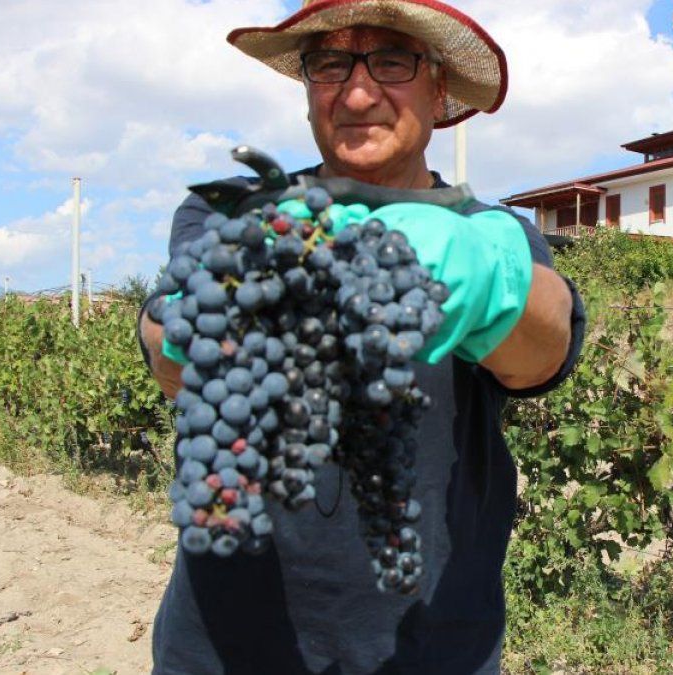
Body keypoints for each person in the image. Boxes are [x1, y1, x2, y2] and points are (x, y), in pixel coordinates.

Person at [136, 1, 586, 672]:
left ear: (439, 89)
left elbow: (544, 349)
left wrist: (495, 283)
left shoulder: (486, 234)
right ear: (307, 91)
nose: (356, 90)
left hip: (432, 648)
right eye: (330, 63)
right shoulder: (232, 208)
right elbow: (162, 342)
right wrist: (200, 313)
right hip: (222, 650)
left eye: (392, 59)